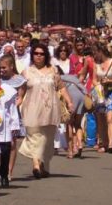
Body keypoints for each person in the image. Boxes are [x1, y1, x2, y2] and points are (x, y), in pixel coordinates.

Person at [19, 43, 74, 179]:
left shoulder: (53, 70)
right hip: (31, 107)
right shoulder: (26, 72)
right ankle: (36, 165)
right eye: (36, 53)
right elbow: (21, 89)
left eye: (41, 54)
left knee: (47, 138)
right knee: (33, 136)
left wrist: (69, 101)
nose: (38, 56)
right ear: (32, 55)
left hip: (50, 108)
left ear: (46, 56)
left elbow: (61, 87)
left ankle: (43, 164)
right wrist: (18, 100)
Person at [0, 54, 26, 181]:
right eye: (0, 67)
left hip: (12, 114)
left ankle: (9, 170)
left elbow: (20, 98)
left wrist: (10, 107)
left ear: (11, 66)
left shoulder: (19, 80)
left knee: (12, 142)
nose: (2, 70)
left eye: (4, 67)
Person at [91, 42, 112, 153]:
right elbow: (94, 79)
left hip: (111, 93)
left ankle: (110, 144)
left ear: (101, 52)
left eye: (95, 52)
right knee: (100, 119)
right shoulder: (96, 64)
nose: (94, 55)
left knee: (110, 118)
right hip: (100, 94)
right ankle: (103, 143)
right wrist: (97, 86)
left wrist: (109, 81)